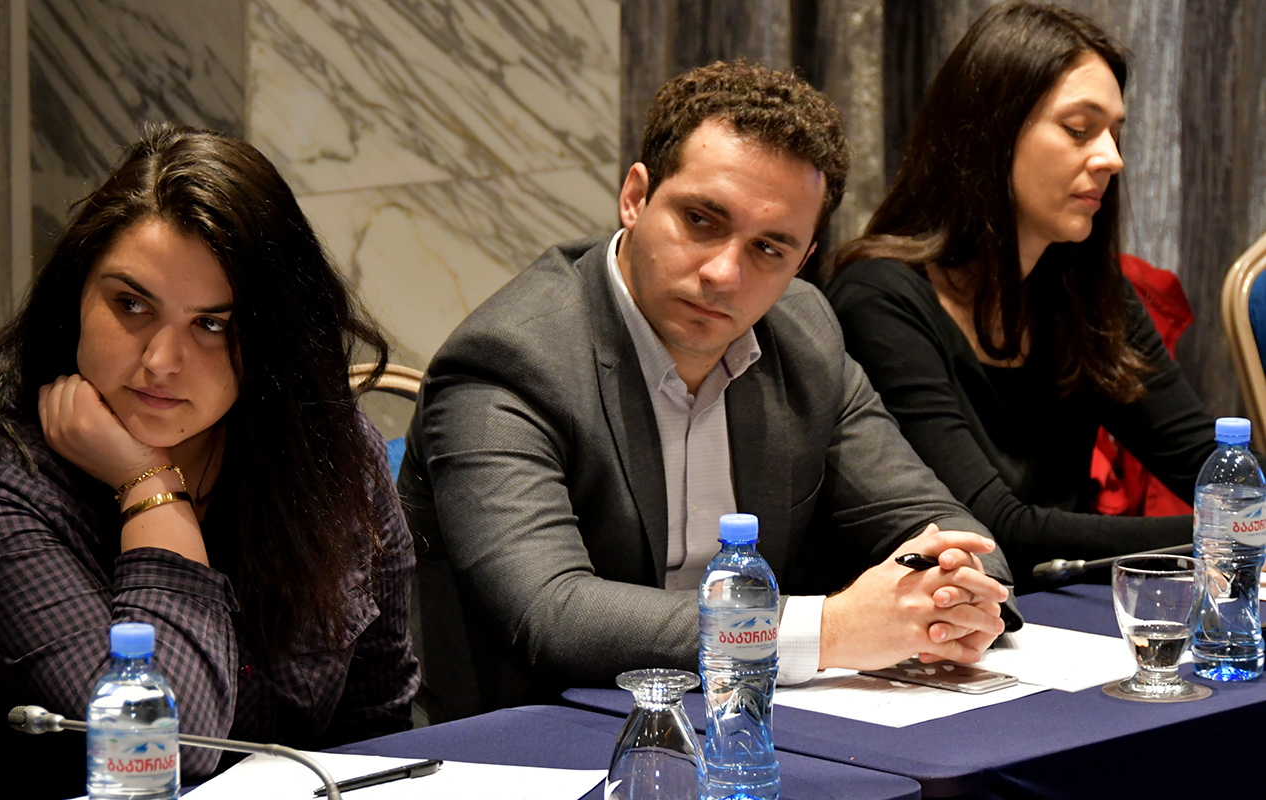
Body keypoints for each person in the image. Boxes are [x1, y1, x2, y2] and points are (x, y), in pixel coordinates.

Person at [398, 60, 1018, 723]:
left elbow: (940, 524)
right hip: (529, 741)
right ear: (635, 196)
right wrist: (829, 630)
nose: (724, 273)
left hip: (739, 728)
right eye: (701, 220)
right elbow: (552, 615)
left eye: (769, 249)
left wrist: (951, 595)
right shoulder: (510, 361)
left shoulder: (803, 334)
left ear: (804, 259)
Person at [0, 125, 418, 798]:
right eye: (130, 305)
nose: (160, 361)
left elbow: (380, 726)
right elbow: (162, 751)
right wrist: (150, 489)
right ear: (75, 297)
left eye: (212, 325)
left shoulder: (327, 451)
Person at [825, 2, 1216, 588]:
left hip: (1067, 616)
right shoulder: (880, 301)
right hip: (950, 622)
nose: (1112, 158)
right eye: (1079, 129)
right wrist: (1226, 533)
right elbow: (993, 530)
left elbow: (1208, 463)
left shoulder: (1089, 294)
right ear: (992, 131)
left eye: (1115, 133)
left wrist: (1242, 513)